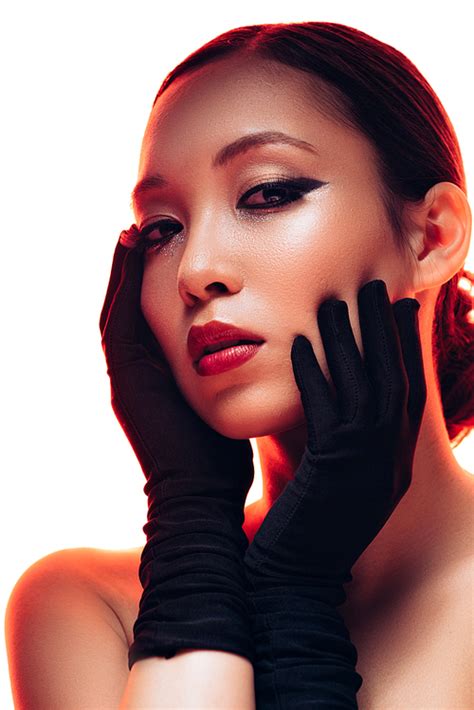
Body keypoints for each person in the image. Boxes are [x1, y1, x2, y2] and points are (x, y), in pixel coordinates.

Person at [5, 20, 473, 709]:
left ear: (432, 236)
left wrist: (296, 602)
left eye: (268, 193)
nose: (196, 271)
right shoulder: (89, 610)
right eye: (162, 230)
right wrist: (193, 517)